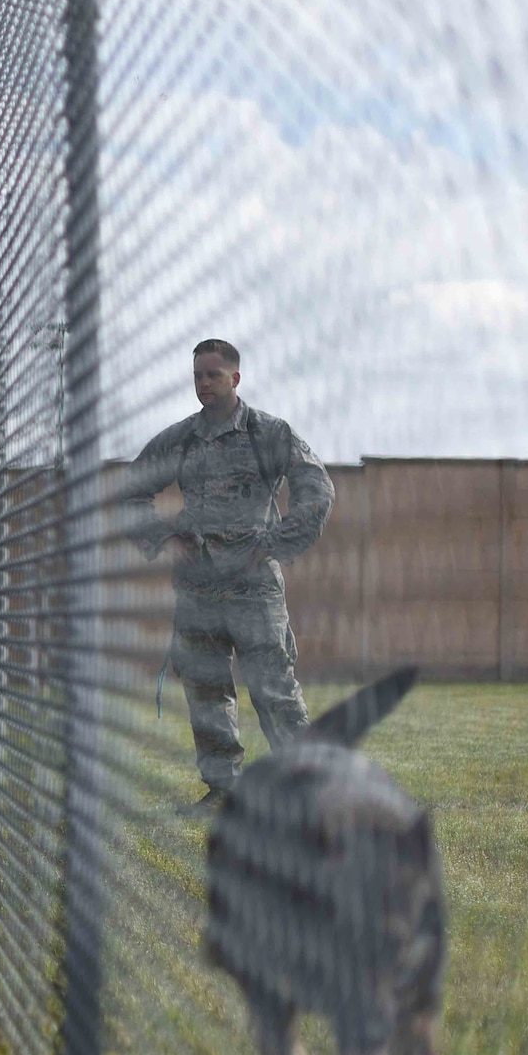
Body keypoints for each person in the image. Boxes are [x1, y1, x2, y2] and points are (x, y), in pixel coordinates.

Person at [119, 338, 335, 812]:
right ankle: (223, 791)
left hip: (254, 588)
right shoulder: (181, 439)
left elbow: (316, 489)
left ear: (235, 378)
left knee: (274, 690)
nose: (203, 385)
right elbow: (130, 490)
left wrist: (275, 547)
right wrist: (165, 539)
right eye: (197, 376)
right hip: (199, 588)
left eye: (213, 376)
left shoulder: (267, 433)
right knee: (206, 689)